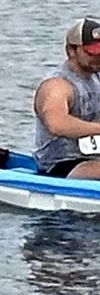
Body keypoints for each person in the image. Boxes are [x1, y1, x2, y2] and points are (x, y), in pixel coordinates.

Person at [31, 18, 100, 178]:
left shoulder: (97, 77)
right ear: (71, 50)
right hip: (60, 166)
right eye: (92, 53)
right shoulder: (56, 86)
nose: (98, 58)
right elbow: (57, 124)